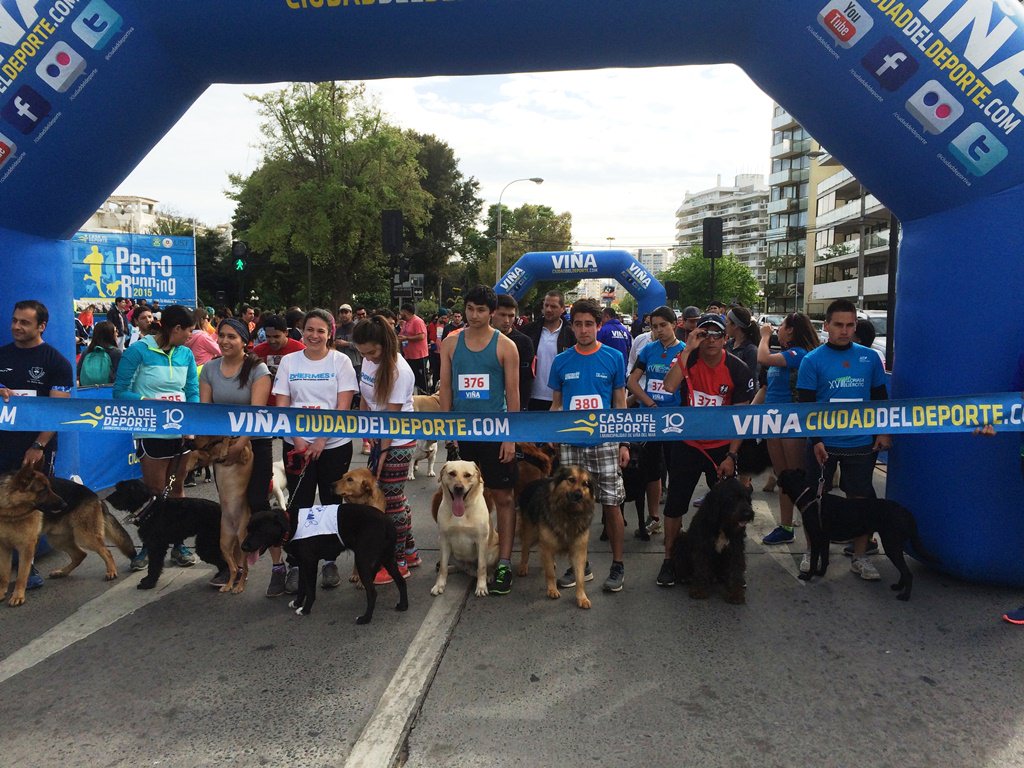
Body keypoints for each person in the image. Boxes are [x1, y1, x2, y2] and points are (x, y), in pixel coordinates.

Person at [796, 299, 891, 582]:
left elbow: (879, 399)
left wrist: (884, 432)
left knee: (861, 501)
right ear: (826, 326)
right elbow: (806, 406)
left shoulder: (870, 358)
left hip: (861, 442)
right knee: (816, 500)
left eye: (850, 325)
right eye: (838, 324)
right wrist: (815, 440)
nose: (845, 330)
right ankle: (811, 550)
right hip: (823, 444)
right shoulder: (811, 360)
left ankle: (861, 557)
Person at [660, 313, 755, 587]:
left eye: (717, 334)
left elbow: (742, 420)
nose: (711, 340)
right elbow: (668, 386)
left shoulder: (738, 369)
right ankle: (669, 560)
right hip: (688, 445)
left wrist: (732, 455)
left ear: (726, 339)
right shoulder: (689, 359)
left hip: (721, 449)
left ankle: (732, 565)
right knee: (676, 504)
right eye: (704, 334)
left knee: (732, 508)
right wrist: (688, 347)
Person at [439, 284, 520, 594]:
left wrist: (510, 437)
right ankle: (463, 554)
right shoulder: (450, 343)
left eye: (481, 310)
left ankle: (503, 562)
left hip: (496, 432)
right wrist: (448, 430)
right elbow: (445, 388)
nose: (474, 315)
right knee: (459, 495)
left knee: (503, 497)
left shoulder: (505, 346)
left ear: (492, 312)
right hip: (462, 433)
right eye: (470, 309)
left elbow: (512, 394)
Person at [547, 298, 630, 592]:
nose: (584, 330)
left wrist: (623, 443)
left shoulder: (613, 358)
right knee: (572, 508)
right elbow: (556, 405)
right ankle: (579, 565)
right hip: (571, 444)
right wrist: (552, 437)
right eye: (579, 324)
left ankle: (617, 565)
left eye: (589, 324)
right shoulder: (561, 361)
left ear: (598, 326)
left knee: (611, 504)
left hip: (604, 443)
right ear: (572, 326)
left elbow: (620, 404)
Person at [273, 308, 357, 593]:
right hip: (296, 445)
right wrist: (297, 439)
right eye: (310, 329)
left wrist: (322, 438)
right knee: (300, 505)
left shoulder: (341, 361)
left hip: (334, 445)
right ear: (302, 330)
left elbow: (343, 405)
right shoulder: (288, 361)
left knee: (332, 504)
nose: (314, 335)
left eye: (321, 331)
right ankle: (296, 563)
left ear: (330, 334)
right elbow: (282, 404)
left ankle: (329, 560)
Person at [113, 304, 201, 571]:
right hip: (151, 431)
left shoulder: (185, 354)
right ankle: (150, 546)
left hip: (180, 433)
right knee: (154, 493)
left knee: (177, 490)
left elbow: (191, 390)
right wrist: (148, 402)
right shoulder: (138, 351)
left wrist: (192, 422)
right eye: (188, 331)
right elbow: (120, 392)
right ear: (175, 329)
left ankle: (178, 545)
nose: (190, 336)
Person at [0, 299, 74, 591]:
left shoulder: (56, 362)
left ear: (41, 326)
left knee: (29, 509)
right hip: (2, 445)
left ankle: (25, 571)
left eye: (25, 322)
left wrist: (39, 445)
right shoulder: (2, 355)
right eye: (15, 320)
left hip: (33, 449)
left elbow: (59, 413)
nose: (17, 326)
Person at [199, 319, 275, 591]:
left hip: (256, 443)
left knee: (257, 503)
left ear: (244, 341)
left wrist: (239, 444)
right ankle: (232, 566)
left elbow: (257, 413)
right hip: (224, 447)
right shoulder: (209, 369)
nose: (225, 341)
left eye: (232, 336)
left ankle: (278, 566)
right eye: (221, 335)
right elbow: (206, 412)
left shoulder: (258, 369)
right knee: (230, 510)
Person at [353, 315, 418, 584]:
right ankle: (411, 551)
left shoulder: (399, 371)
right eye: (363, 353)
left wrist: (381, 455)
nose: (368, 357)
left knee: (389, 502)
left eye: (372, 351)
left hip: (398, 440)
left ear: (385, 344)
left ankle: (399, 560)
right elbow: (365, 398)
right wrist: (366, 436)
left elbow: (392, 421)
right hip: (378, 437)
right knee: (394, 496)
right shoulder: (369, 361)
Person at [757, 312, 820, 550]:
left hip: (792, 422)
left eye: (781, 325)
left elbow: (762, 357)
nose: (778, 329)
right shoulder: (783, 354)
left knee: (797, 477)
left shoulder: (799, 354)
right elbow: (765, 388)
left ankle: (812, 530)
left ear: (791, 330)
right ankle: (785, 527)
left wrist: (764, 336)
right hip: (773, 422)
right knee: (784, 476)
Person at [626, 305, 684, 540]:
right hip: (648, 418)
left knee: (677, 472)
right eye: (654, 326)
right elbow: (632, 381)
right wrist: (648, 403)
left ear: (675, 325)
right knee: (651, 472)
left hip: (675, 420)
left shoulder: (684, 351)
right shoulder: (648, 349)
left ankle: (675, 519)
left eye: (663, 325)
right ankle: (654, 518)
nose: (659, 330)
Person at [524, 290, 576, 411]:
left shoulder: (570, 334)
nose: (548, 309)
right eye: (546, 305)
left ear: (563, 309)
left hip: (560, 398)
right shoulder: (529, 331)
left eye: (553, 306)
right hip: (532, 397)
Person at [493, 294, 535, 411]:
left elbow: (527, 380)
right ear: (492, 313)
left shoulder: (524, 342)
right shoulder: (480, 339)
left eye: (511, 316)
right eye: (502, 315)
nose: (506, 320)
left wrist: (522, 407)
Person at [253, 314, 305, 406]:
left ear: (286, 332)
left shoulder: (300, 350)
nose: (272, 341)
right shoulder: (258, 351)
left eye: (276, 336)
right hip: (265, 404)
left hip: (292, 404)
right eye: (268, 336)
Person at [77, 320, 122, 386]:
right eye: (115, 331)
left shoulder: (86, 351)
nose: (117, 334)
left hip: (86, 391)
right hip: (108, 391)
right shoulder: (116, 353)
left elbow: (78, 373)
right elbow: (121, 376)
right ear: (110, 334)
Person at [398, 303, 429, 393]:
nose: (400, 314)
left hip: (419, 356)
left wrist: (407, 338)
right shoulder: (406, 322)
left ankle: (425, 396)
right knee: (412, 377)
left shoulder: (417, 321)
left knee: (422, 379)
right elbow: (402, 334)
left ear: (406, 312)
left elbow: (421, 336)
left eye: (401, 312)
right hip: (409, 355)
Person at [725, 305, 760, 384]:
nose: (725, 325)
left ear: (735, 325)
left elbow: (751, 380)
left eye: (727, 322)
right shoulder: (728, 344)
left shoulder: (751, 350)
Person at [598, 307, 632, 377]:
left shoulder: (603, 330)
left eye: (602, 318)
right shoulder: (625, 331)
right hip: (622, 369)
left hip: (605, 371)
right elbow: (630, 350)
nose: (601, 321)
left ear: (607, 316)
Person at [334, 303, 362, 376]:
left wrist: (346, 344)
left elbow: (361, 345)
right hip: (341, 364)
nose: (343, 315)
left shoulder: (357, 328)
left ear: (351, 314)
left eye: (346, 312)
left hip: (355, 364)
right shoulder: (338, 329)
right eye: (341, 313)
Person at [427, 309, 448, 392]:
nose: (444, 320)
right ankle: (434, 390)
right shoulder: (432, 325)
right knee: (435, 372)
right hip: (434, 352)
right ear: (439, 317)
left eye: (446, 318)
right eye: (442, 318)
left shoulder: (447, 326)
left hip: (444, 353)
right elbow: (428, 336)